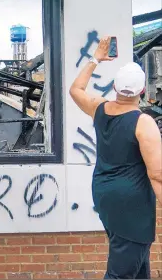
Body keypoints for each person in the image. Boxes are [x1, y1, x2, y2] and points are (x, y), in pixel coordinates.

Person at [69, 36, 162, 279]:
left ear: (115, 88)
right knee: (121, 272)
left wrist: (96, 58)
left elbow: (76, 89)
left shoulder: (99, 109)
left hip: (105, 197)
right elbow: (157, 175)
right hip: (132, 206)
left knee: (137, 265)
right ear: (142, 90)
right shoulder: (143, 123)